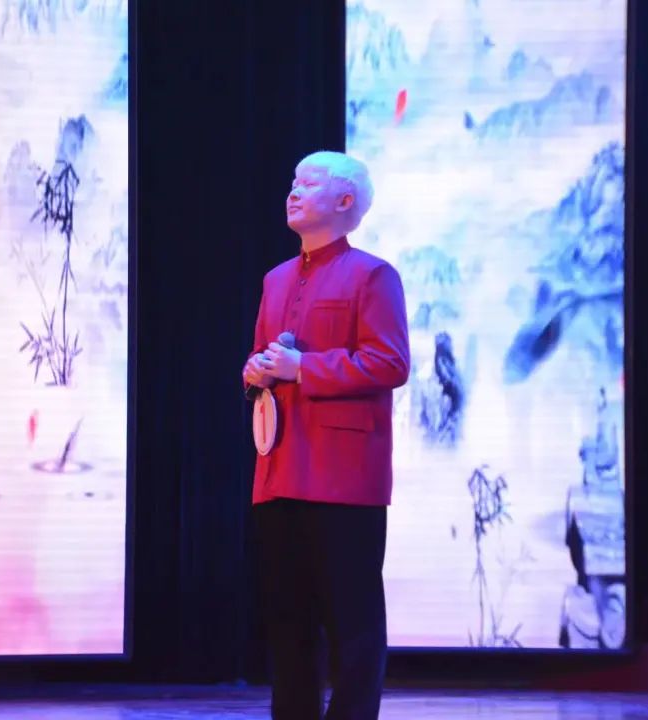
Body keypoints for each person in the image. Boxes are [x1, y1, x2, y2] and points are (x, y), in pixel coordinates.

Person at [243, 150, 410, 719]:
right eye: (293, 182)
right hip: (279, 467)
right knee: (287, 622)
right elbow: (263, 358)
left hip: (344, 476)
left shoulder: (372, 275)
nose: (293, 191)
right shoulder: (275, 279)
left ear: (344, 201)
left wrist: (303, 369)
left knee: (353, 625)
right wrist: (256, 371)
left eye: (308, 183)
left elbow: (390, 363)